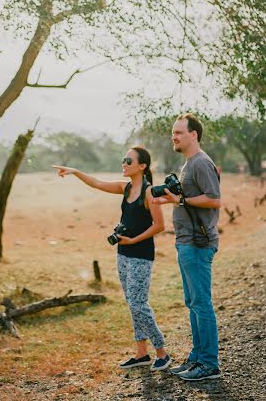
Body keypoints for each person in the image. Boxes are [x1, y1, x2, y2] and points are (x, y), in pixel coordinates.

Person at [53, 146, 172, 371]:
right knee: (132, 304)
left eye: (129, 161)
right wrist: (75, 171)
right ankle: (141, 353)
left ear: (142, 166)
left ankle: (162, 353)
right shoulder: (125, 188)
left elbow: (160, 225)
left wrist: (134, 240)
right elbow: (97, 183)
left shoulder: (149, 192)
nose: (124, 164)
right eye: (123, 160)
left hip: (141, 256)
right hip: (123, 255)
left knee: (139, 304)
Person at [152, 113, 221, 381]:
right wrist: (175, 200)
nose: (174, 136)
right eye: (173, 132)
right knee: (192, 302)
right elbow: (188, 199)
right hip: (187, 242)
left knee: (201, 303)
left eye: (179, 132)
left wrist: (181, 200)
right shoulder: (189, 163)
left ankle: (209, 363)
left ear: (194, 135)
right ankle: (197, 357)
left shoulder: (201, 163)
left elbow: (214, 200)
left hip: (197, 242)